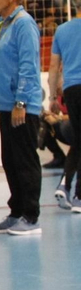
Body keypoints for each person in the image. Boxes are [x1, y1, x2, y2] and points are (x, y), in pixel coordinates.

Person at [0, 0, 44, 235]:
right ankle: (17, 211)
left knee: (25, 161)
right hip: (7, 105)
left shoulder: (24, 24)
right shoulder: (5, 25)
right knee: (10, 160)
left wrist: (21, 101)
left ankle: (30, 217)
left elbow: (28, 66)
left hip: (22, 106)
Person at [48, 11, 81, 212]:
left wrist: (52, 98)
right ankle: (78, 194)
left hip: (70, 89)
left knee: (78, 139)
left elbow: (53, 67)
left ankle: (65, 185)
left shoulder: (62, 30)